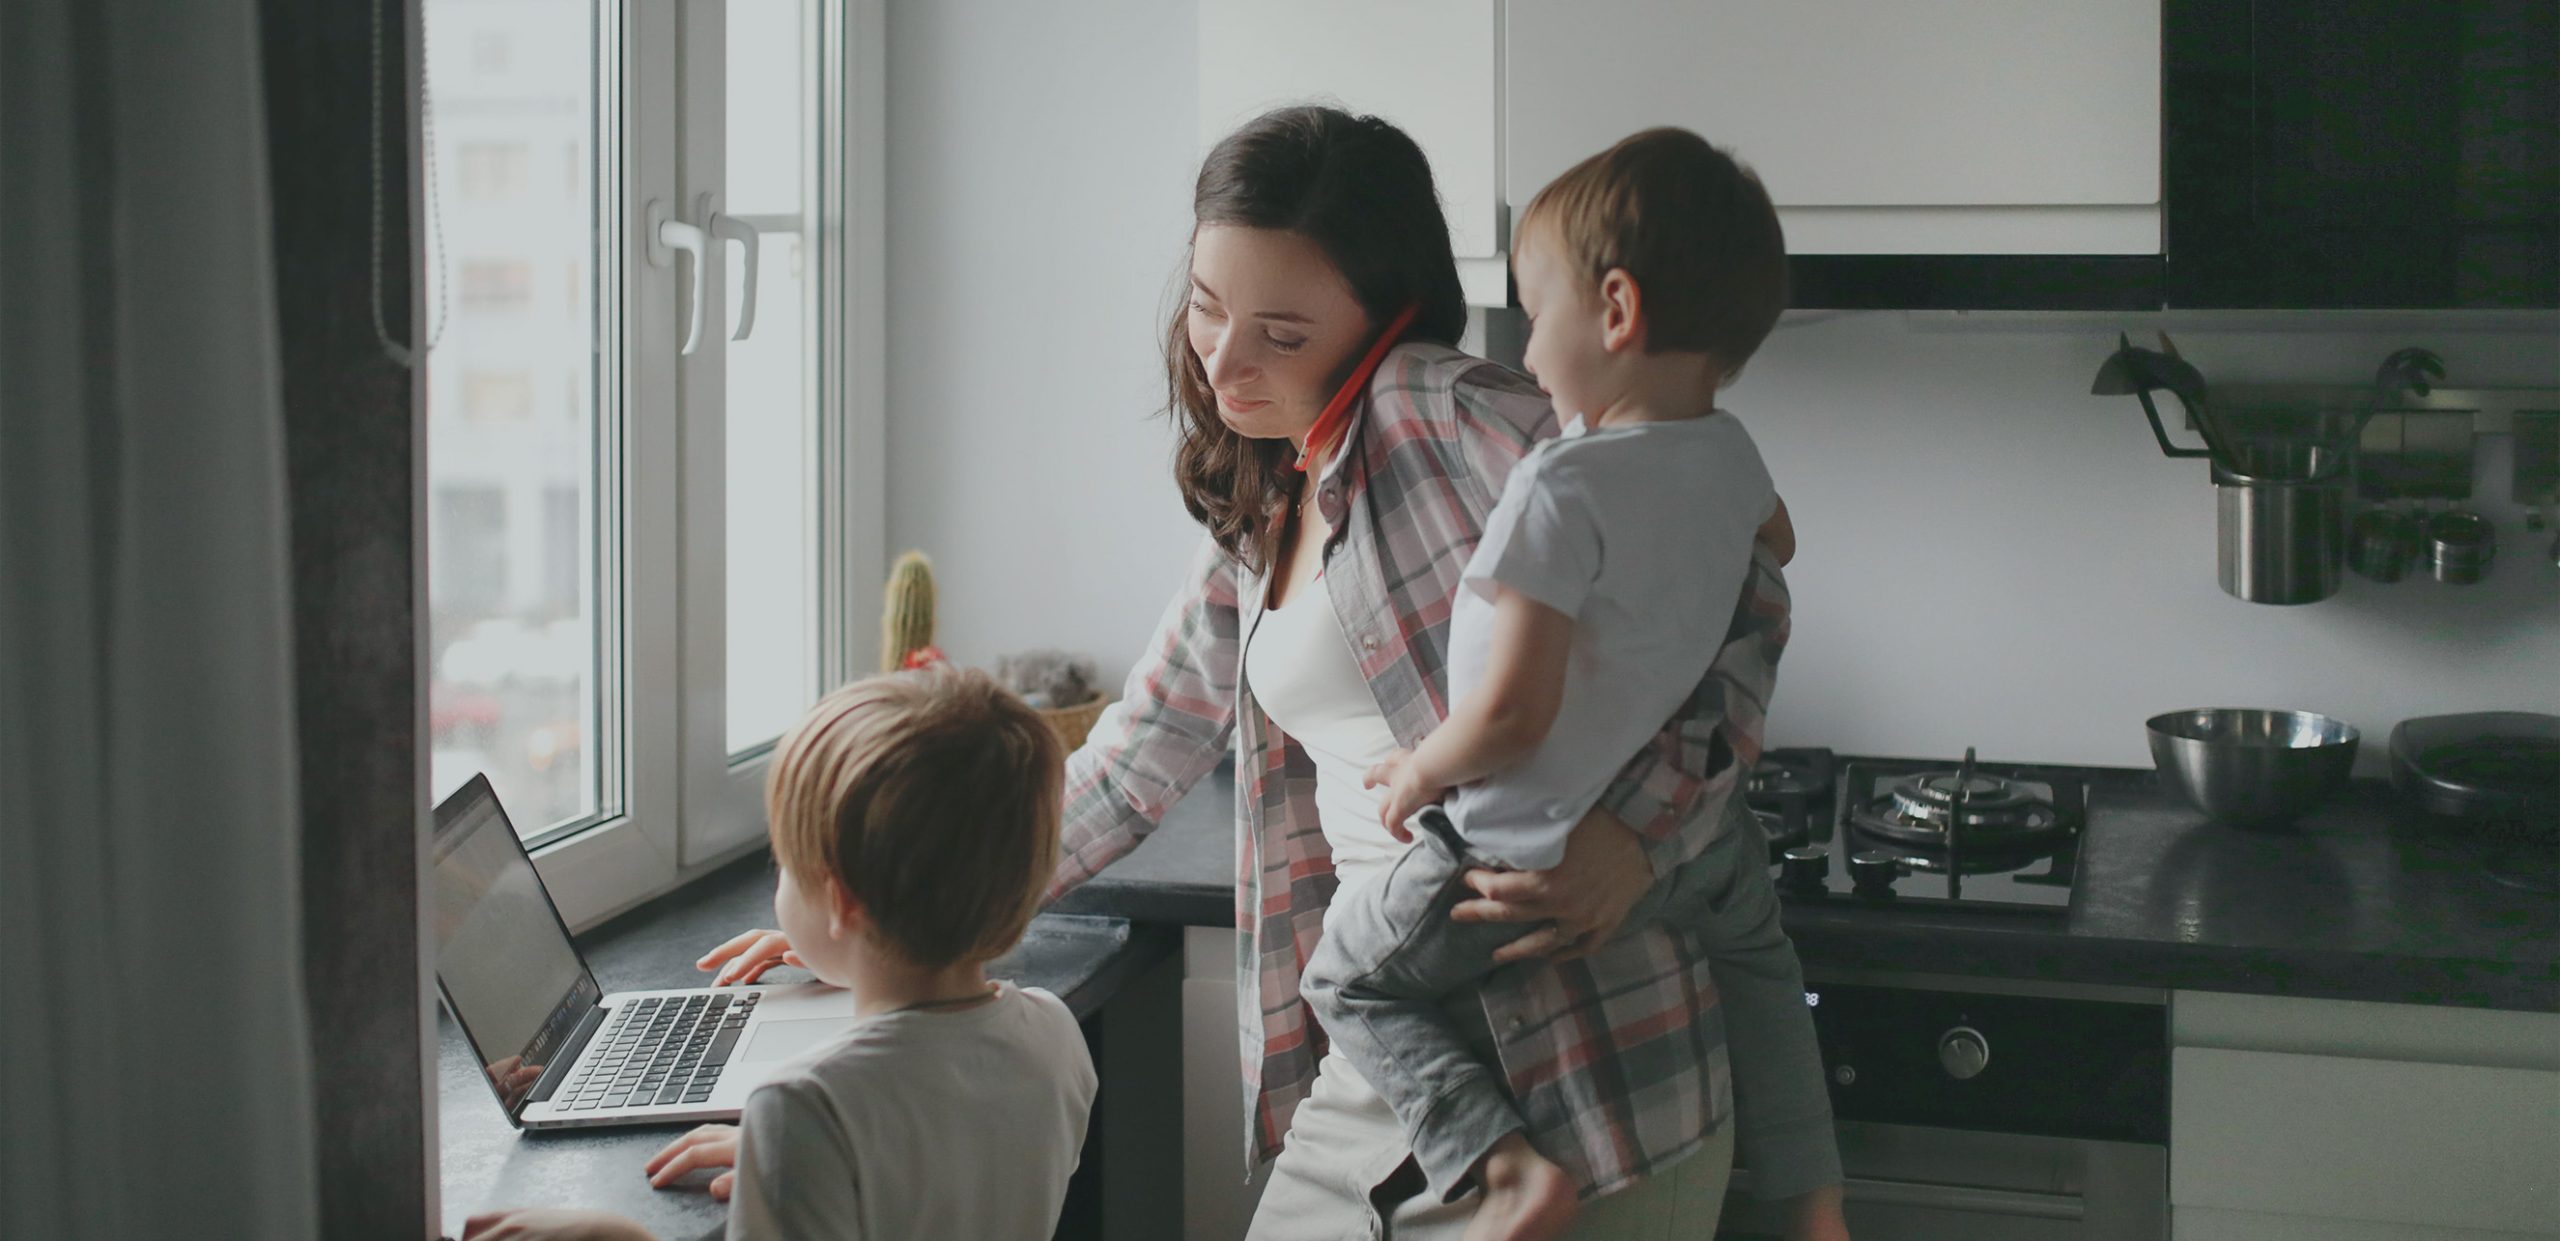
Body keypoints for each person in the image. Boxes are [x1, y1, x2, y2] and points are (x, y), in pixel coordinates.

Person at [706, 106, 1846, 1240]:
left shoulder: (1449, 409)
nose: (1223, 359)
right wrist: (880, 906)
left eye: (1282, 332)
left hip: (1579, 1074)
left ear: (1386, 318)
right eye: (1206, 307)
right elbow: (1136, 757)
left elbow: (1743, 578)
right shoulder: (1261, 506)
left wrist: (1639, 836)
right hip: (1391, 1065)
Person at [1302, 126, 1800, 1241]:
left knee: (1345, 975)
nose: (1526, 353)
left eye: (1536, 311)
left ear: (1614, 311)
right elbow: (1778, 545)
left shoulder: (1555, 486)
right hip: (1600, 835)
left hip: (1501, 840)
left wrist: (1417, 766)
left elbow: (1514, 715)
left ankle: (1503, 1162)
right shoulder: (1731, 458)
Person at [464, 668, 1098, 1241]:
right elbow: (944, 1151)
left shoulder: (802, 1107)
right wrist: (800, 1172)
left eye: (785, 862)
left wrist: (618, 1237)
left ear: (842, 903)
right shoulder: (1053, 1033)